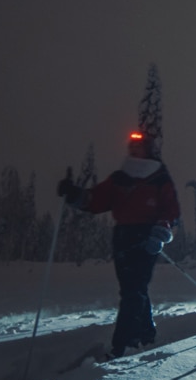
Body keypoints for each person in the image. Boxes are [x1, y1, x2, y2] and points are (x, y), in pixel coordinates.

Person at [58, 130, 181, 359]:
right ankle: (146, 334)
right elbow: (96, 200)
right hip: (123, 236)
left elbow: (171, 209)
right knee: (133, 289)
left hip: (148, 236)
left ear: (148, 150)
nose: (134, 151)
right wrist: (75, 194)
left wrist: (160, 231)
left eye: (138, 147)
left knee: (133, 290)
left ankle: (124, 344)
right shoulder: (120, 178)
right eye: (131, 147)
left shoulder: (158, 177)